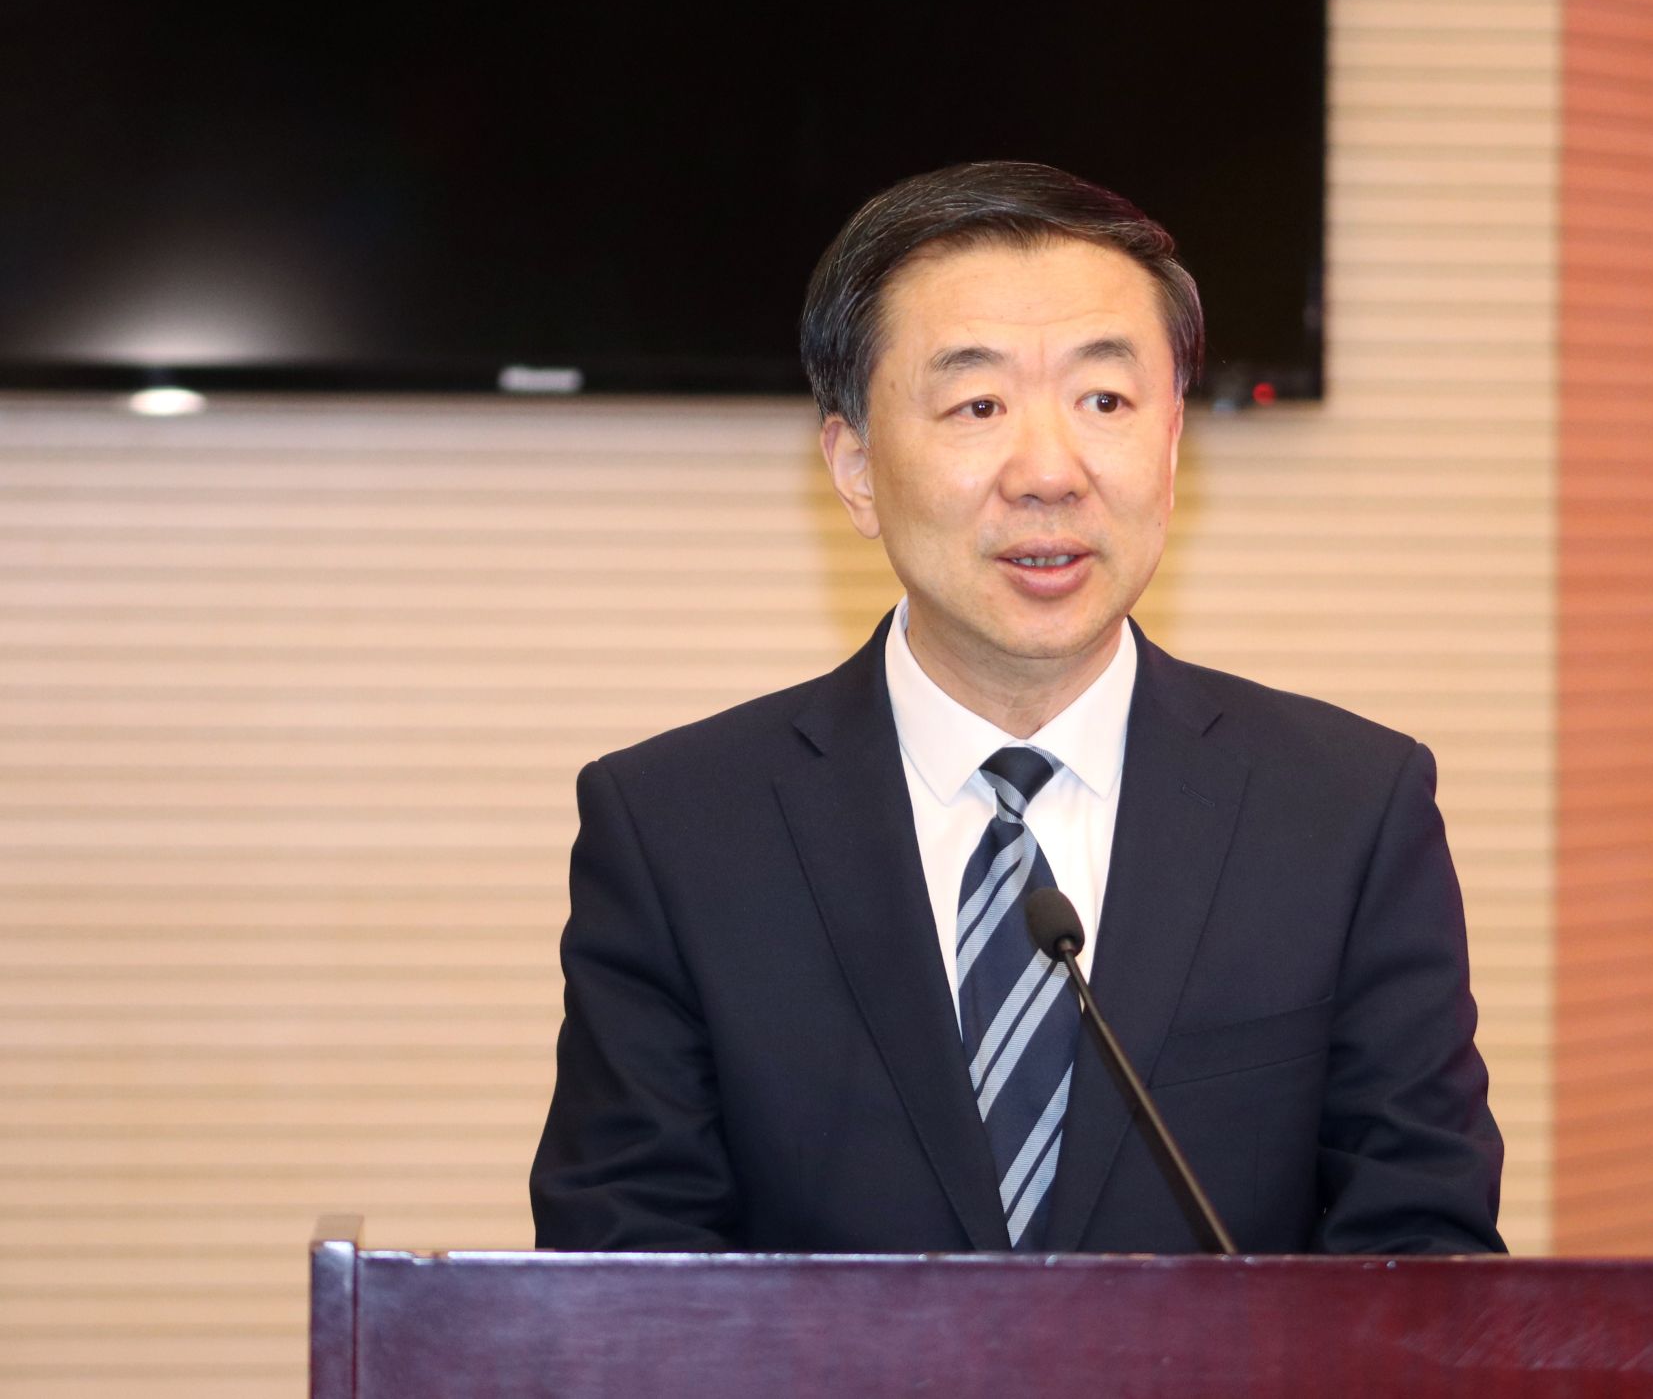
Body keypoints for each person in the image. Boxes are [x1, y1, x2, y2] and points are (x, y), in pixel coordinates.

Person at [529, 161, 1506, 1254]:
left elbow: (1423, 1266)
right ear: (854, 464)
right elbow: (620, 1280)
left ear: (1171, 445)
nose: (1048, 472)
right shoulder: (676, 831)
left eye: (1104, 401)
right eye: (978, 405)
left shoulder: (1346, 812)